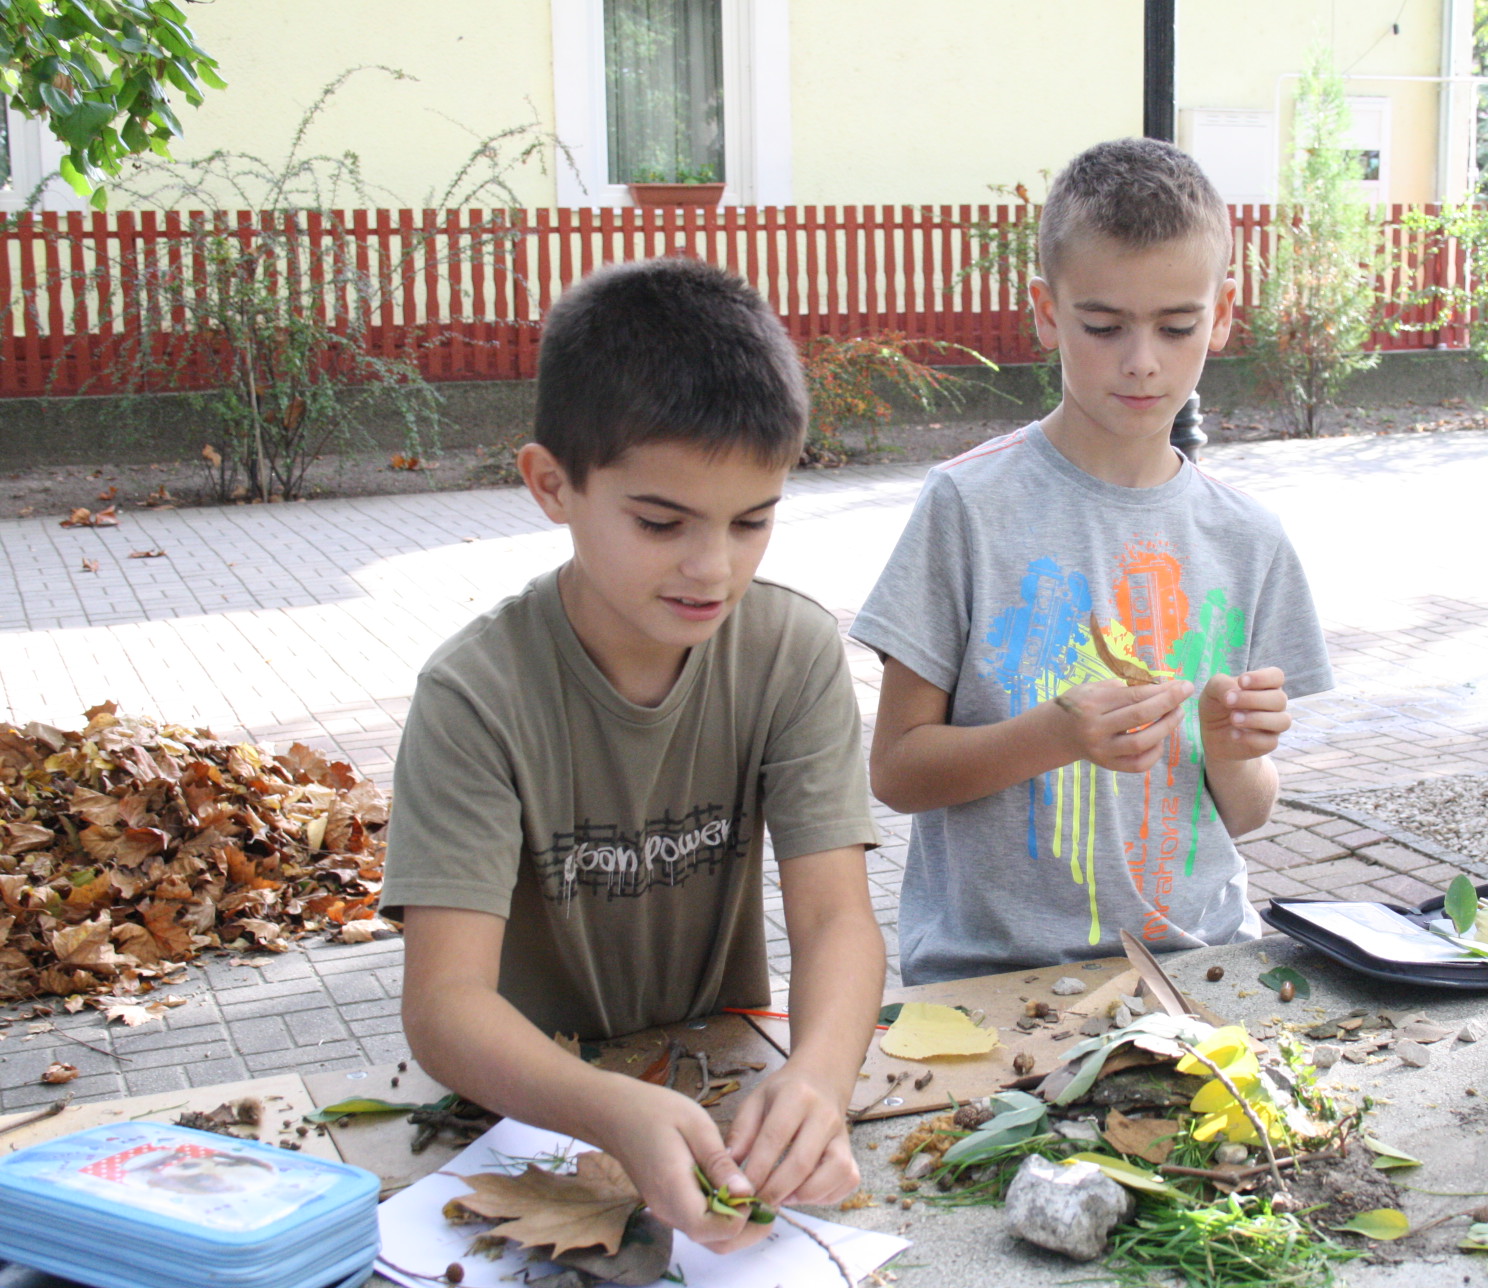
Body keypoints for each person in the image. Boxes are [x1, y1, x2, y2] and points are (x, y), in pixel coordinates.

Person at [385, 258, 884, 1255]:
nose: (714, 567)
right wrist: (609, 1108)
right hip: (522, 1119)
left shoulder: (788, 651)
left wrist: (818, 1080)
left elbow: (837, 919)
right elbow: (444, 1006)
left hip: (716, 1083)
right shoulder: (475, 696)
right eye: (661, 522)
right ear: (552, 484)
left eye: (752, 520)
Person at [853, 138, 1332, 985]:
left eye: (1176, 327)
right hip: (994, 977)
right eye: (1104, 326)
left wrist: (1229, 747)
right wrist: (1056, 735)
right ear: (1046, 312)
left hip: (1202, 965)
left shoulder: (1249, 537)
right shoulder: (967, 506)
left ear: (1222, 315)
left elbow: (1249, 811)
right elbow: (896, 771)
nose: (1142, 360)